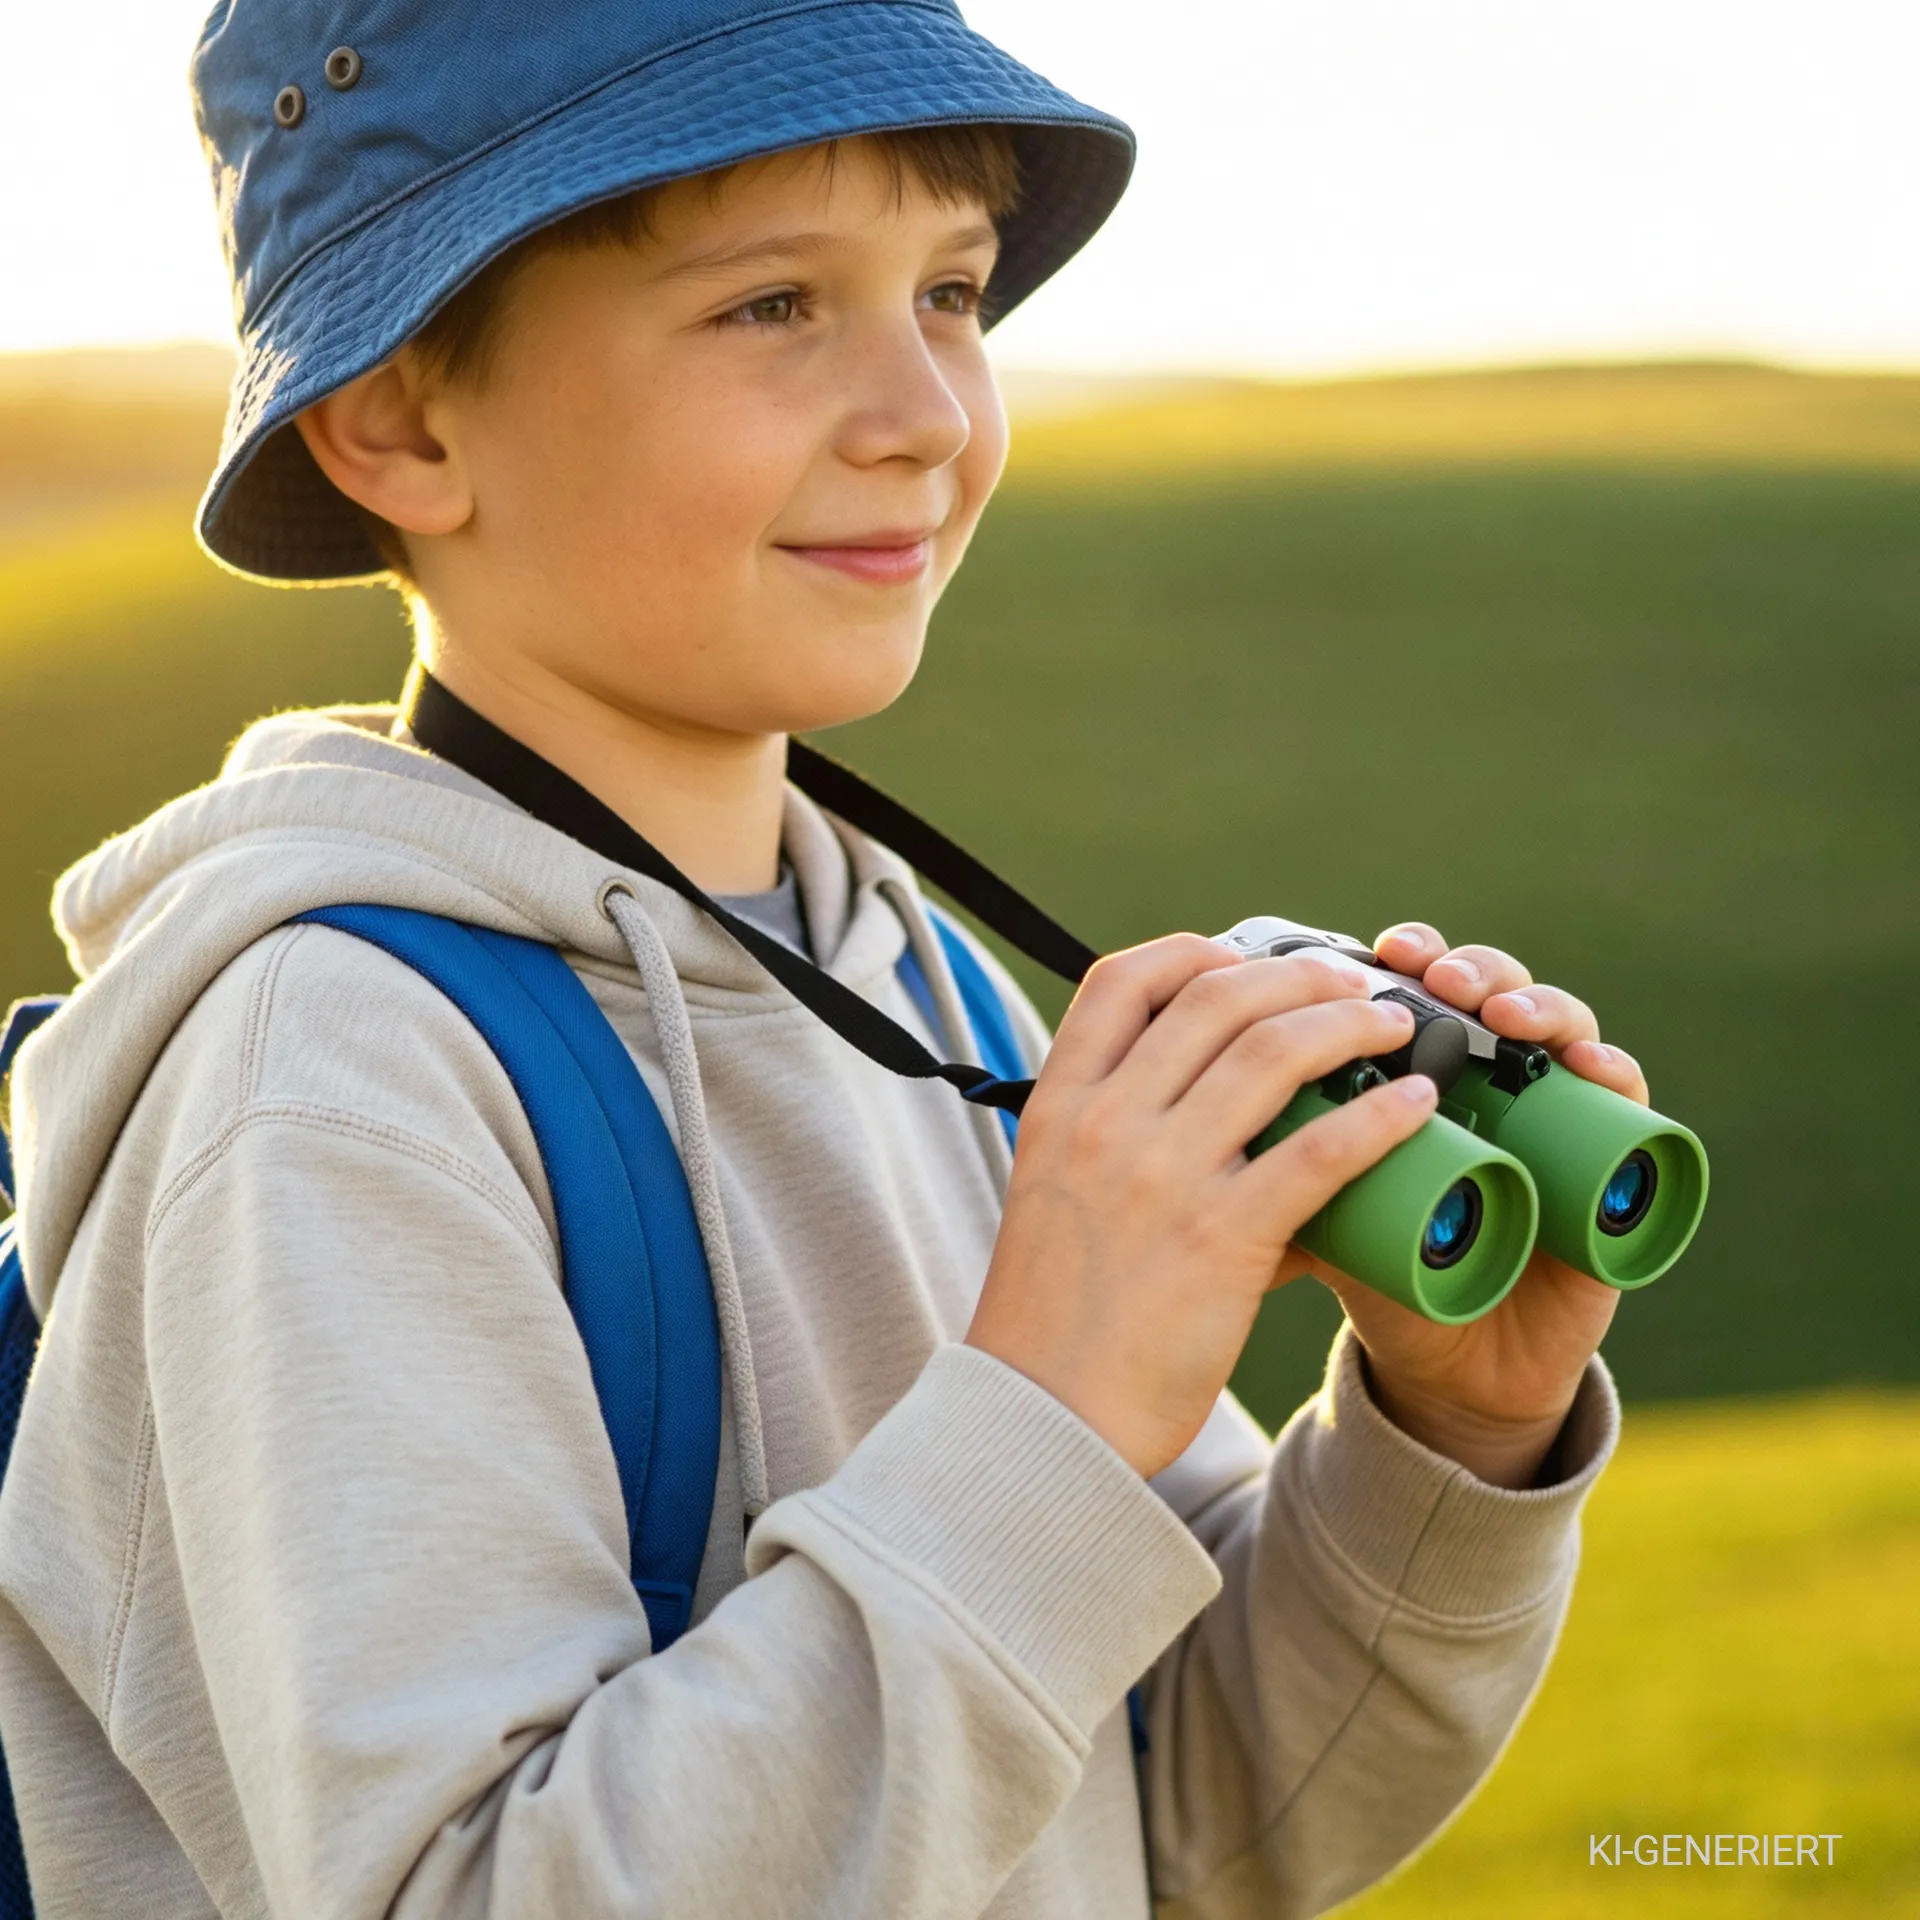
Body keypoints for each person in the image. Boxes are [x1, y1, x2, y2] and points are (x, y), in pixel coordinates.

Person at [0, 3, 1636, 1914]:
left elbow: (1179, 1814)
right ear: (399, 421)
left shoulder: (912, 980)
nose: (929, 411)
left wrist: (1450, 1434)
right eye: (774, 305)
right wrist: (1057, 1411)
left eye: (950, 292)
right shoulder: (333, 1079)